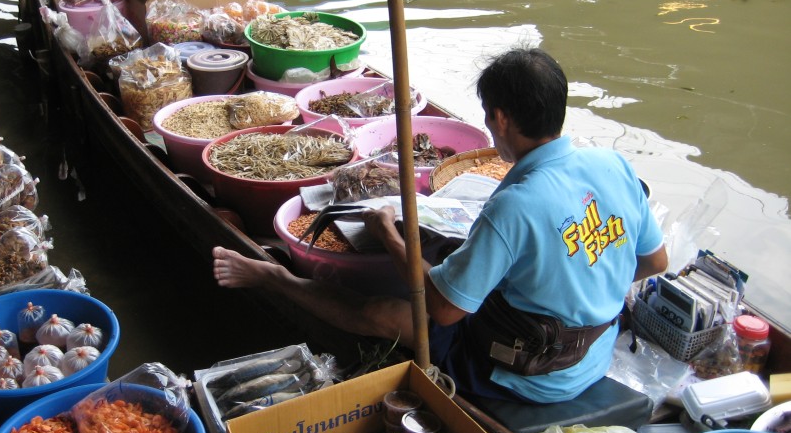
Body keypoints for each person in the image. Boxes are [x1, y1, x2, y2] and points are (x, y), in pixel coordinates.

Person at [212, 48, 668, 403]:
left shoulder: (516, 204)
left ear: (501, 119)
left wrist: (390, 234)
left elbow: (444, 310)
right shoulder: (614, 164)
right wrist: (582, 278)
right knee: (470, 260)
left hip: (532, 374)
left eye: (489, 114)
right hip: (595, 351)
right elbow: (655, 260)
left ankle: (274, 276)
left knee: (382, 313)